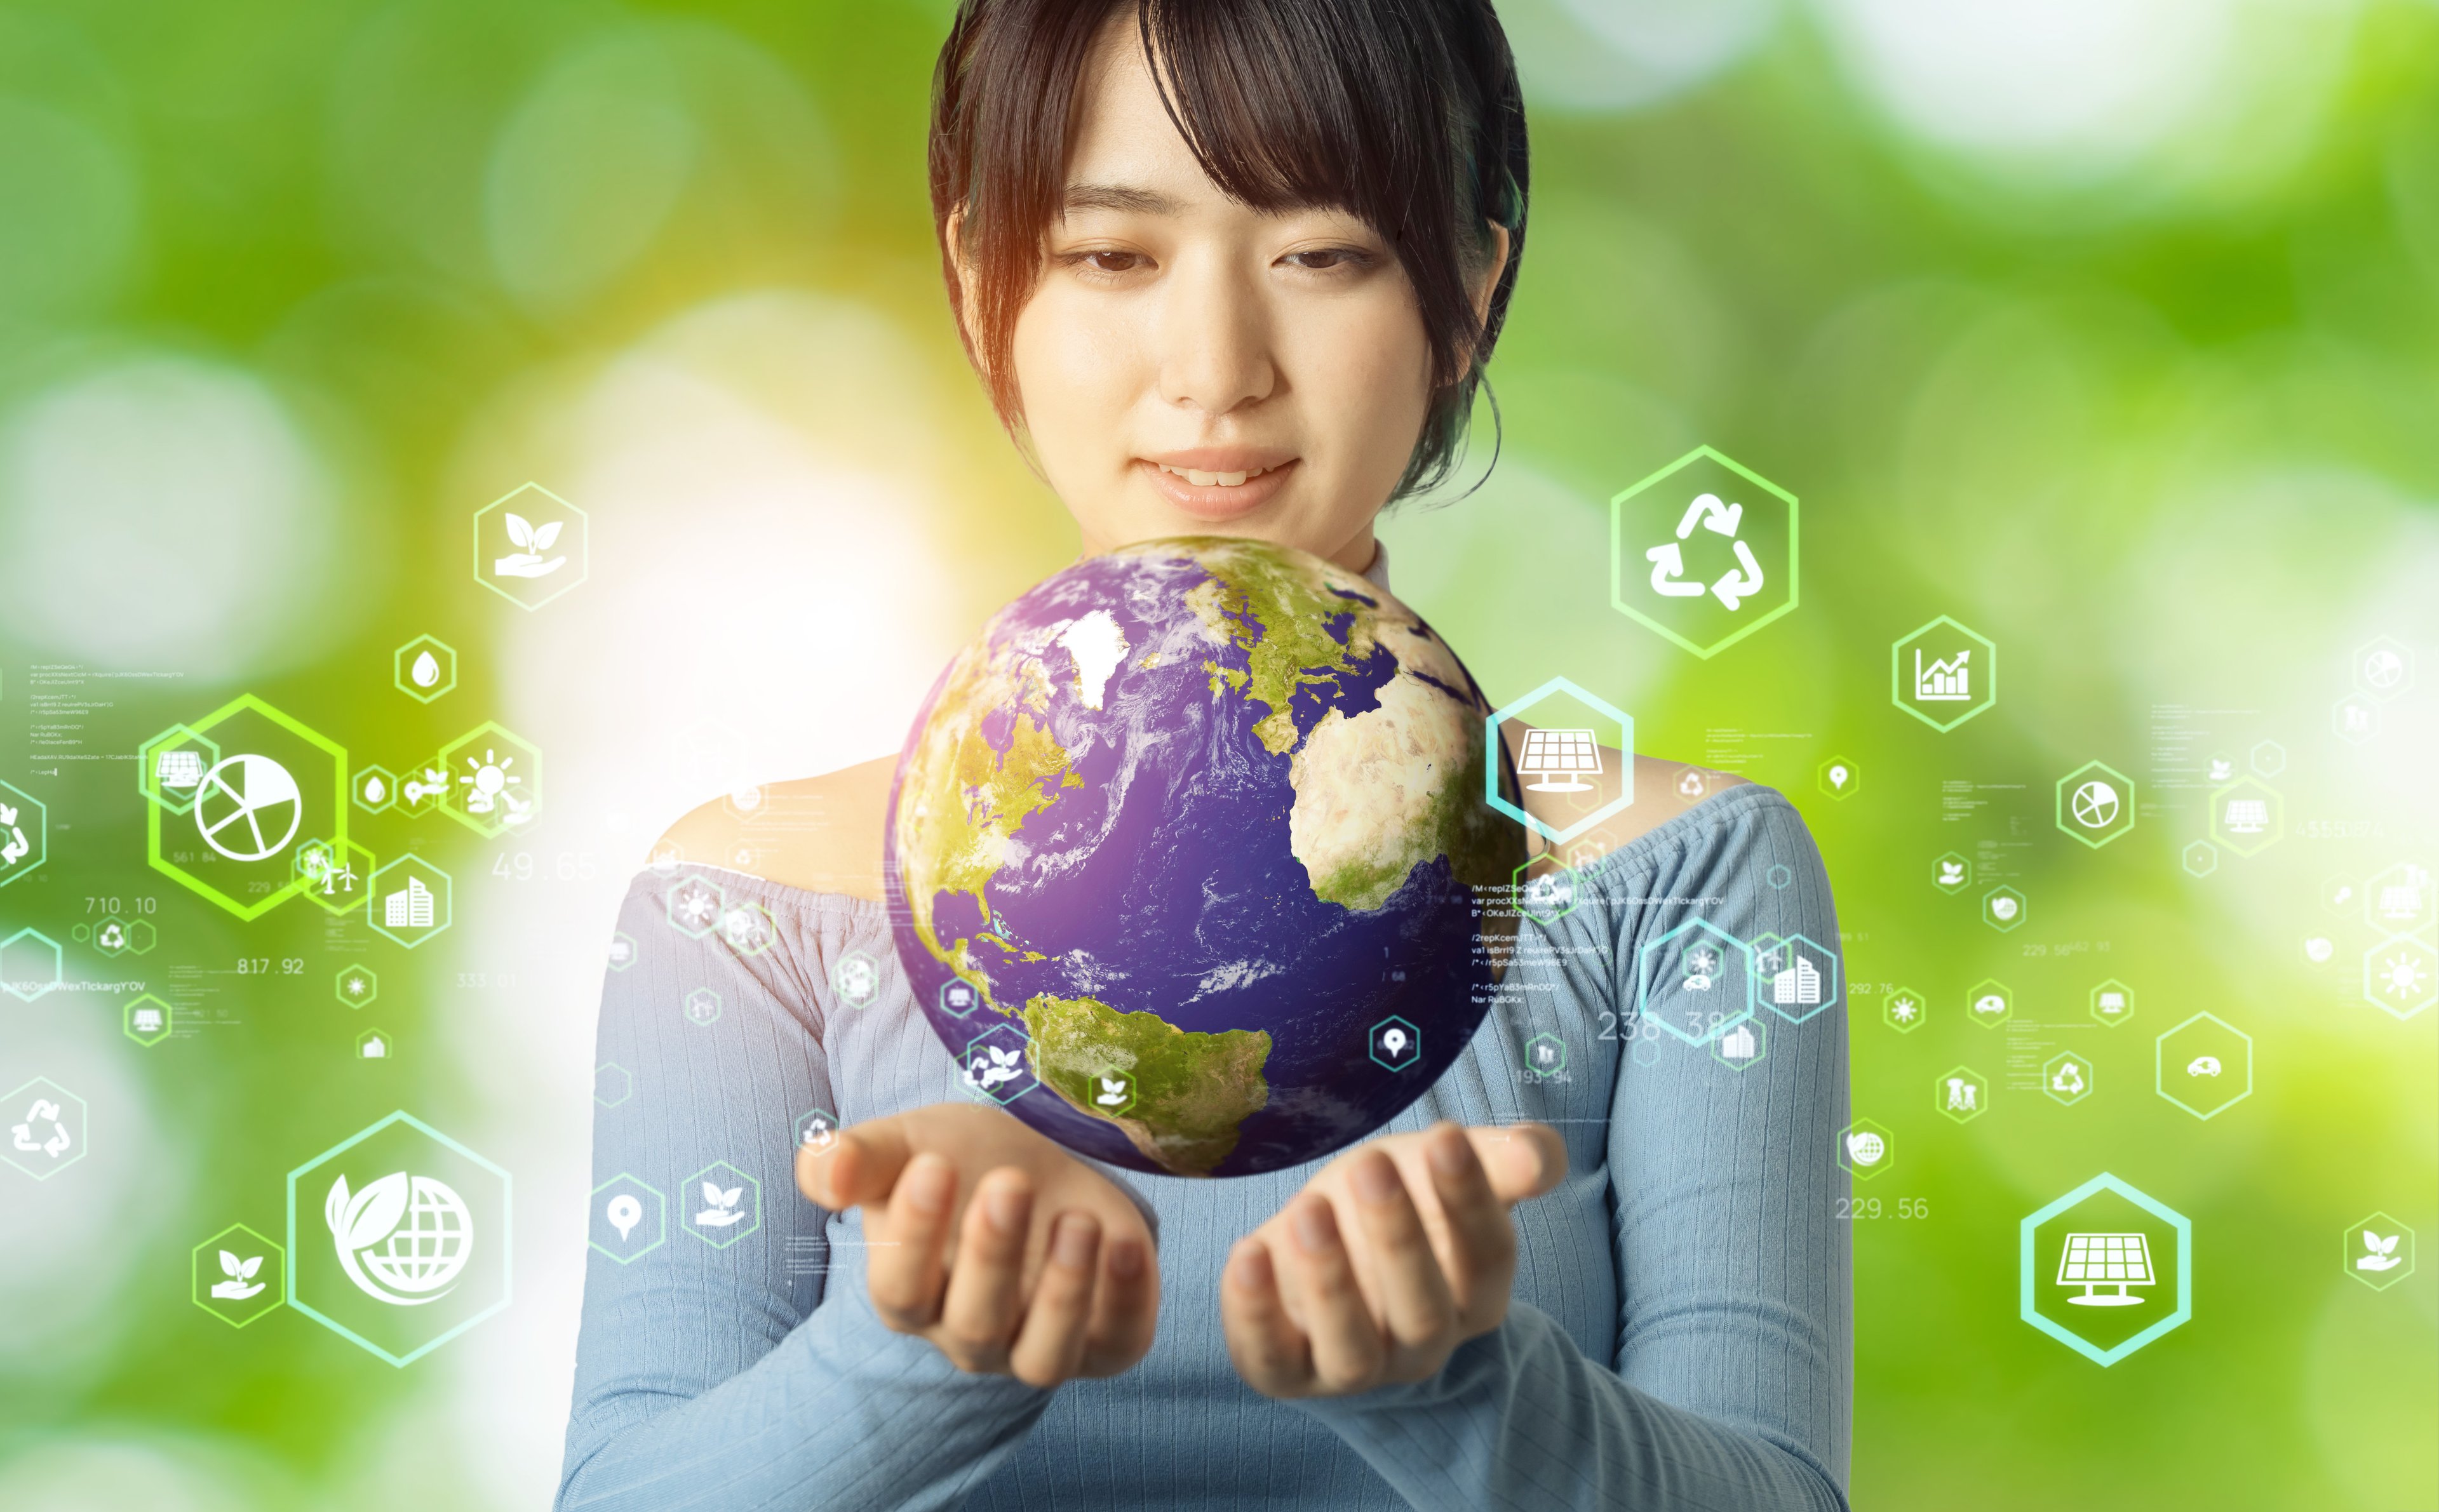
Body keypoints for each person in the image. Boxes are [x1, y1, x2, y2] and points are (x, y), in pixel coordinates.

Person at [557, 1, 1850, 1507]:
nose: (1218, 368)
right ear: (984, 284)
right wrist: (915, 1360)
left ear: (1470, 289)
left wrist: (1461, 1385)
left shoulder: (1680, 879)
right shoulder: (750, 906)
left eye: (1324, 255)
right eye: (1114, 256)